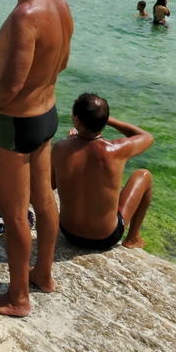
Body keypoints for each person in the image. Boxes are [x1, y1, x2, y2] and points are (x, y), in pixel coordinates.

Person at [0, 0, 73, 317]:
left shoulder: (24, 15)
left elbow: (11, 84)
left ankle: (17, 298)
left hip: (17, 123)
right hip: (47, 114)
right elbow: (61, 62)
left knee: (15, 213)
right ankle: (43, 275)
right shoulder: (60, 4)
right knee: (45, 199)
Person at [51, 94, 153, 250]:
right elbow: (147, 137)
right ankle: (132, 238)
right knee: (143, 175)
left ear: (77, 120)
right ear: (103, 121)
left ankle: (132, 238)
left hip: (68, 232)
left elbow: (51, 184)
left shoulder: (59, 148)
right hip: (105, 238)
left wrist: (72, 142)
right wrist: (109, 120)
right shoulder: (117, 150)